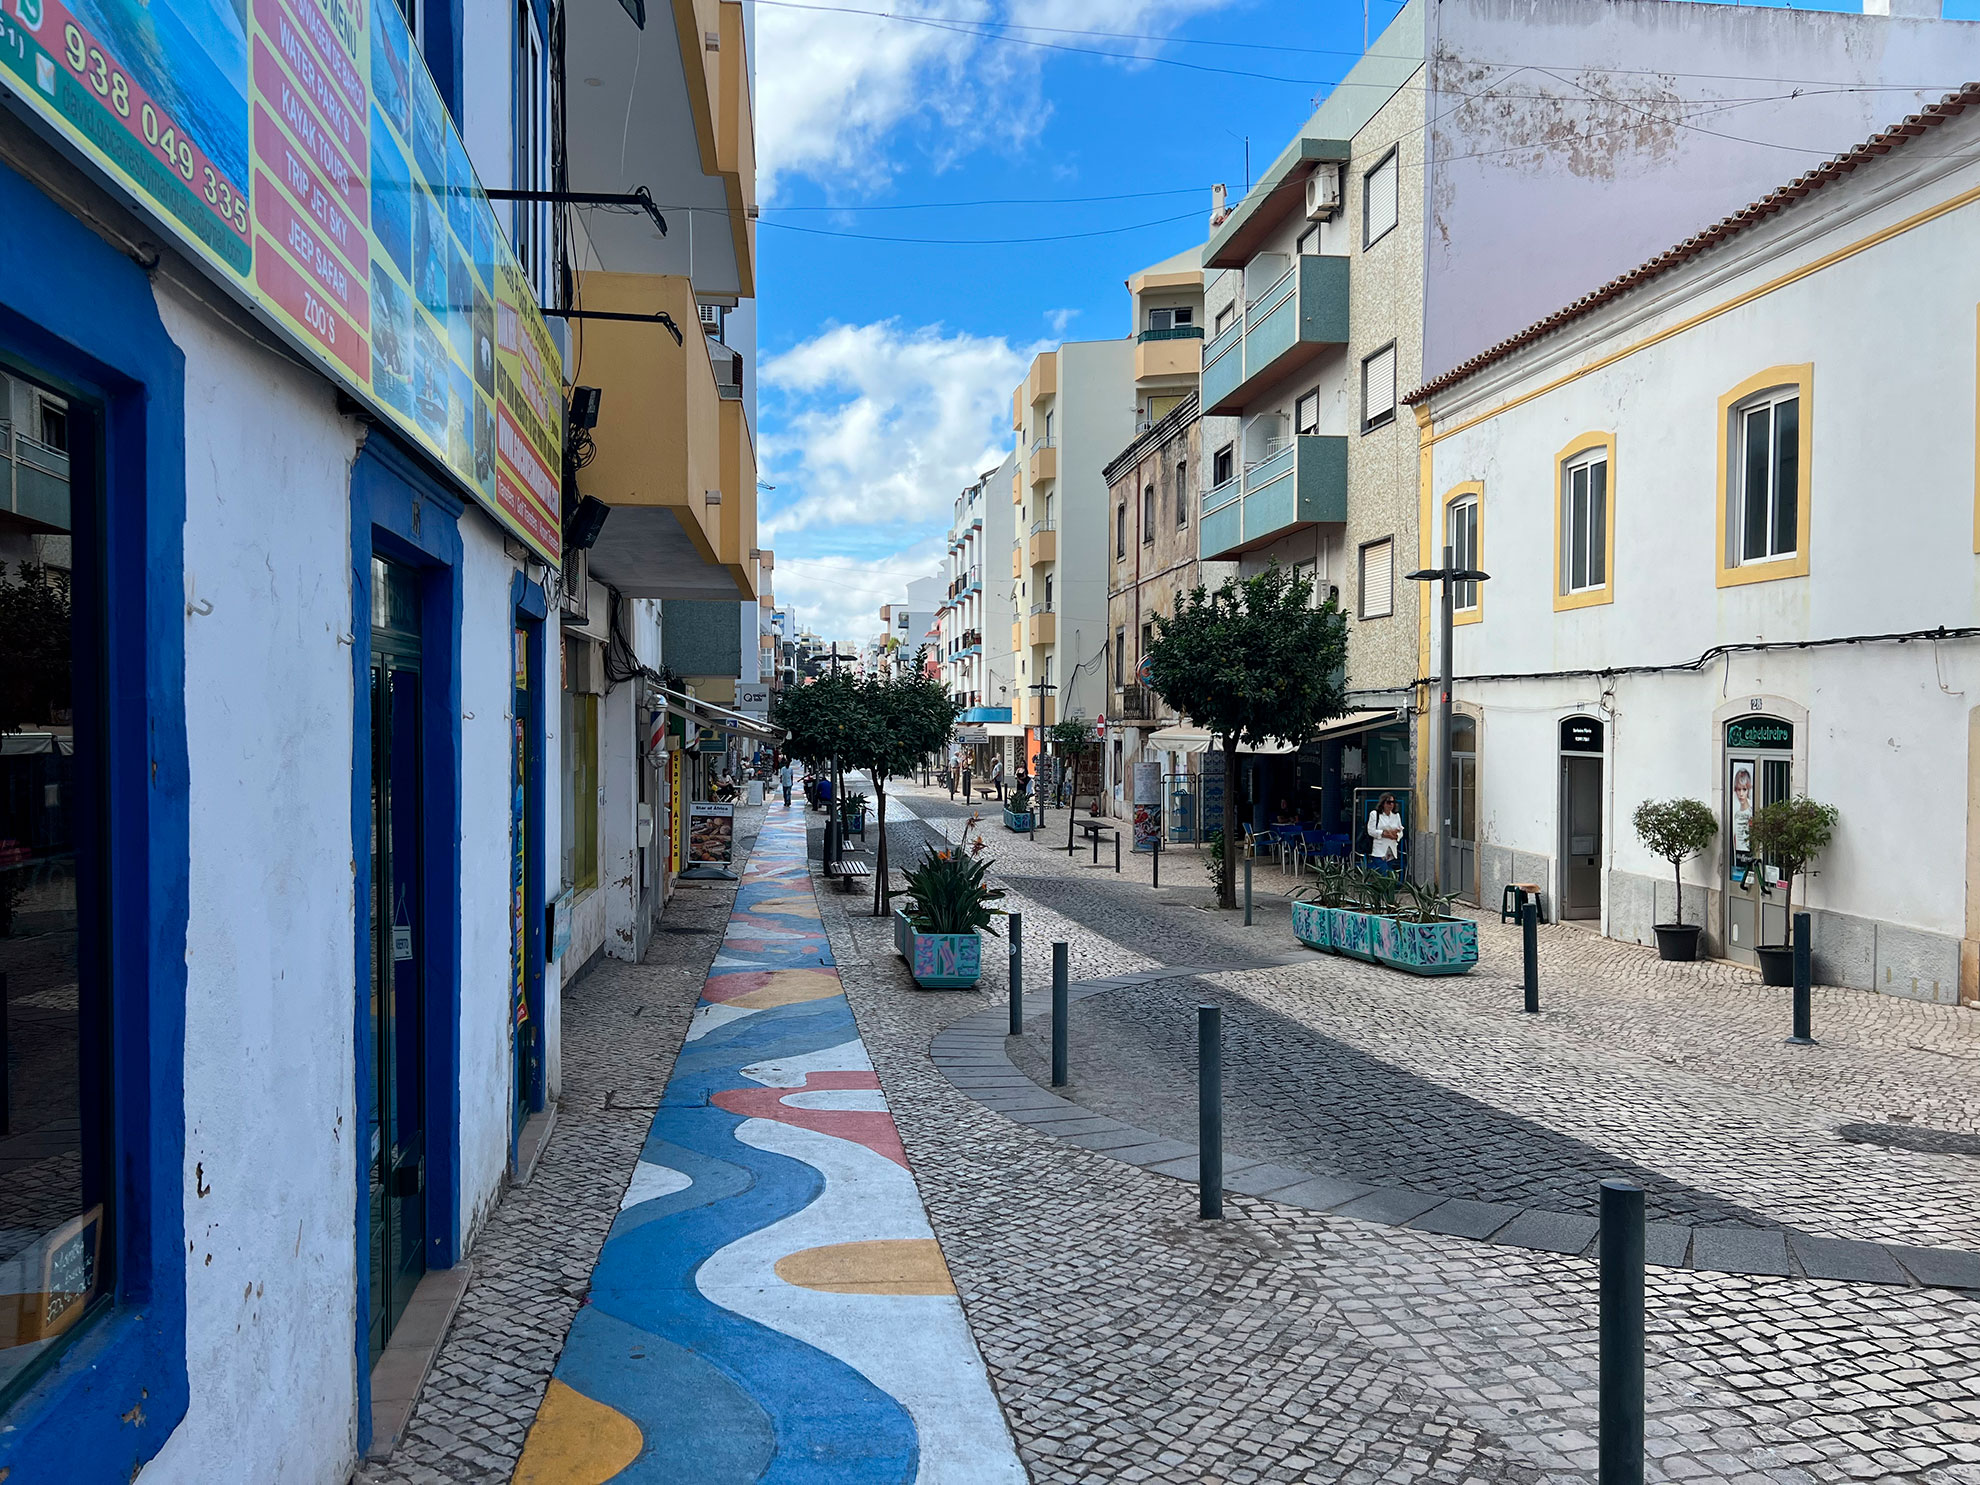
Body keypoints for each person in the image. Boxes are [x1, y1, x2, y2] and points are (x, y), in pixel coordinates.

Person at [1367, 793, 1404, 865]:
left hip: (1392, 852)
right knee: (1383, 874)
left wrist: (1396, 836)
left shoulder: (1396, 815)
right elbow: (1371, 831)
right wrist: (1384, 833)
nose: (1391, 805)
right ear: (1383, 803)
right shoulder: (1375, 814)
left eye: (1393, 802)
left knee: (1391, 874)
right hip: (1379, 851)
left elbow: (1400, 831)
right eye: (1389, 802)